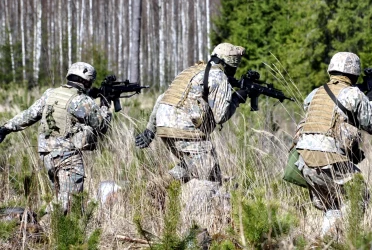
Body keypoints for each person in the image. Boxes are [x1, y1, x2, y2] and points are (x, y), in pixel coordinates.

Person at [0, 62, 111, 214]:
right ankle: (36, 224)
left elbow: (29, 114)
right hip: (67, 156)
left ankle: (45, 228)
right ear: (86, 81)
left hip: (46, 155)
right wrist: (105, 106)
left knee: (60, 198)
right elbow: (102, 126)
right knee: (71, 204)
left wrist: (6, 127)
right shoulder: (82, 101)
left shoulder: (50, 94)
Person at [292, 52, 372, 234]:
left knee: (334, 205)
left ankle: (325, 241)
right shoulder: (354, 94)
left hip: (304, 163)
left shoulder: (315, 93)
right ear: (354, 73)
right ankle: (346, 239)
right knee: (359, 194)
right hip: (329, 162)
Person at [135, 43, 248, 184]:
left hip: (163, 125)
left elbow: (162, 97)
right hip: (185, 128)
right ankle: (159, 187)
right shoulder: (219, 76)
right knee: (209, 170)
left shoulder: (193, 71)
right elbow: (221, 116)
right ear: (231, 65)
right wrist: (236, 98)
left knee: (192, 163)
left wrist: (149, 130)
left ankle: (161, 186)